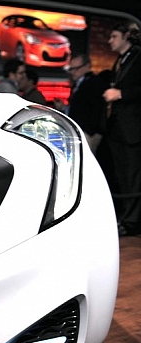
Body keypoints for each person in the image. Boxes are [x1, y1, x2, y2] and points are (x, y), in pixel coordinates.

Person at [102, 21, 141, 236]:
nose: (110, 41)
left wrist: (121, 94)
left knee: (133, 176)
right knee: (123, 175)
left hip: (132, 127)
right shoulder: (121, 59)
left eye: (114, 36)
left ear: (126, 36)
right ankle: (126, 218)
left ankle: (132, 222)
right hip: (117, 126)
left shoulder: (138, 57)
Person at [53, 53, 108, 153]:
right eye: (71, 69)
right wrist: (64, 108)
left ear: (87, 66)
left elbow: (97, 110)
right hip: (78, 131)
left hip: (87, 133)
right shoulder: (78, 84)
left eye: (76, 69)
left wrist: (90, 132)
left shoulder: (95, 83)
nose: (73, 72)